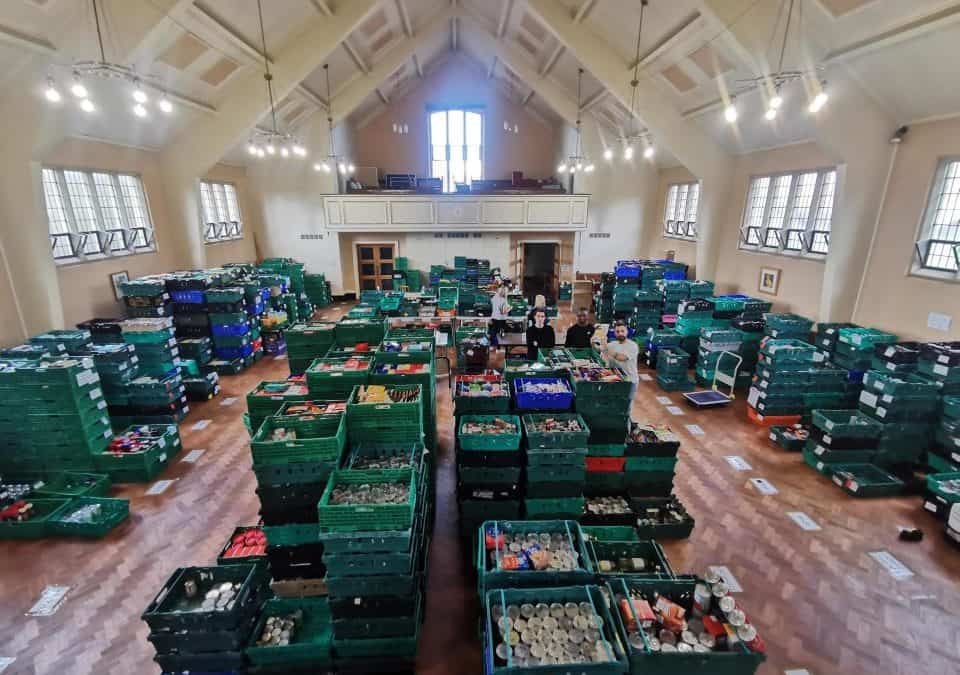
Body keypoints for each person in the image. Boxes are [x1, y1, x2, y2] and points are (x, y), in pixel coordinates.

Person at [602, 321, 639, 402]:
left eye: (622, 331)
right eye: (617, 331)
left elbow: (621, 358)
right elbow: (600, 349)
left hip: (630, 381)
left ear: (627, 331)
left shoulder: (633, 346)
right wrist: (594, 342)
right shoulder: (612, 344)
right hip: (616, 379)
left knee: (626, 403)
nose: (620, 333)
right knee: (615, 403)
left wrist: (606, 347)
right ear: (614, 333)